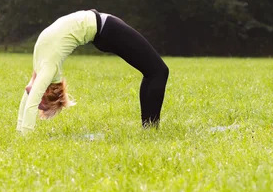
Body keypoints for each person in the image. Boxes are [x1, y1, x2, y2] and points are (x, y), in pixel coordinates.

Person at [16, 9, 169, 133]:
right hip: (108, 30)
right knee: (158, 71)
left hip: (105, 30)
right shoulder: (48, 68)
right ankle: (149, 130)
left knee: (154, 72)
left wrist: (21, 132)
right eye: (41, 105)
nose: (36, 102)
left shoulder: (45, 67)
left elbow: (29, 96)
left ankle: (149, 129)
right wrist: (24, 136)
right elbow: (31, 97)